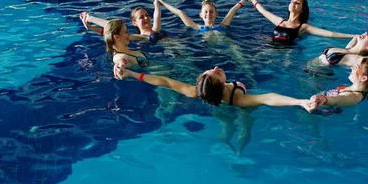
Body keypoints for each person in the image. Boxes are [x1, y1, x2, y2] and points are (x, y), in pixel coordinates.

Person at [114, 64, 312, 111]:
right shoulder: (238, 98)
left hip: (217, 106)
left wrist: (133, 74)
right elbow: (267, 98)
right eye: (216, 73)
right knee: (244, 129)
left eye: (210, 70)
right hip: (235, 108)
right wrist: (300, 102)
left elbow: (165, 81)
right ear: (222, 86)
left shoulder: (195, 92)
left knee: (227, 126)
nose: (216, 67)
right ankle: (239, 152)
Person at [246, 0, 355, 44]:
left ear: (302, 9)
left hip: (287, 55)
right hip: (270, 48)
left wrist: (355, 36)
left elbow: (330, 34)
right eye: (292, 1)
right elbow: (262, 10)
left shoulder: (303, 27)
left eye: (297, 3)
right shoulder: (280, 21)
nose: (293, 3)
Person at [80, 0, 165, 42]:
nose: (146, 18)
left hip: (176, 47)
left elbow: (157, 15)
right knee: (118, 26)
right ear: (134, 23)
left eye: (147, 15)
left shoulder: (155, 29)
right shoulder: (140, 37)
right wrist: (90, 20)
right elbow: (114, 29)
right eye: (141, 17)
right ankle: (90, 18)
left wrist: (156, 4)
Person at [156, 0, 251, 32]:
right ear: (201, 15)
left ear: (216, 14)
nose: (208, 14)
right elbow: (180, 13)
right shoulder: (197, 27)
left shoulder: (223, 25)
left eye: (211, 12)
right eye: (205, 12)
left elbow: (233, 10)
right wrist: (162, 3)